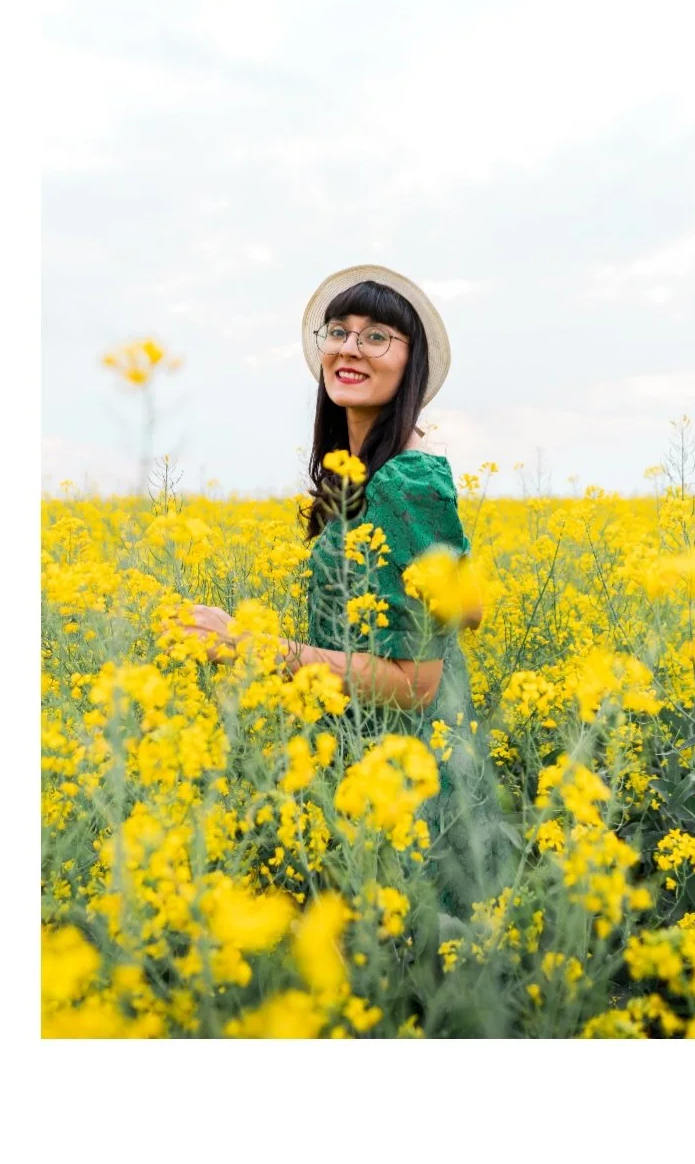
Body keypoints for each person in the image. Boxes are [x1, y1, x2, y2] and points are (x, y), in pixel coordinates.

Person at [176, 265, 513, 916]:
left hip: (412, 795)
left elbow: (415, 682)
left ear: (411, 365)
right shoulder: (372, 476)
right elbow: (465, 607)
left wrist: (251, 646)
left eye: (377, 336)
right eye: (339, 331)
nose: (350, 348)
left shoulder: (407, 481)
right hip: (366, 770)